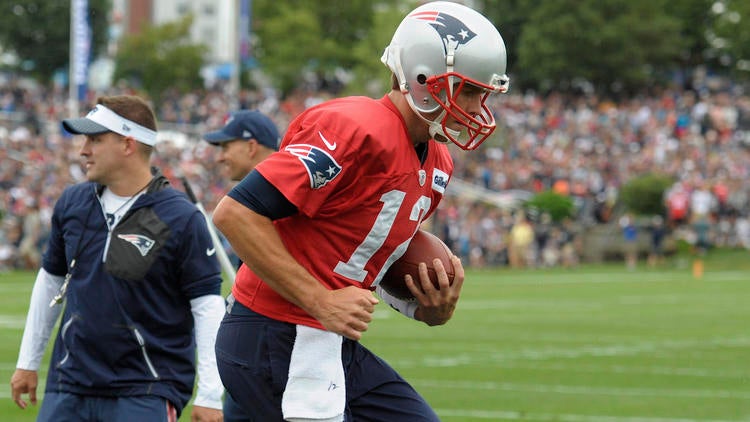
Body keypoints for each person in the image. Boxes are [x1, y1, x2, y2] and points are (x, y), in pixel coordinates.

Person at [211, 2, 509, 421]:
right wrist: (320, 299)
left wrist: (422, 308)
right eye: (472, 90)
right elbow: (235, 214)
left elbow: (368, 258)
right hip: (275, 332)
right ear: (425, 78)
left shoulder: (438, 162)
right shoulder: (354, 128)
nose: (478, 107)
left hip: (326, 339)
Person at [10, 95, 226, 422]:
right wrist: (27, 362)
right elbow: (51, 280)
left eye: (95, 140)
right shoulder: (73, 202)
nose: (83, 150)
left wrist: (210, 394)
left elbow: (207, 306)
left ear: (128, 144)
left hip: (147, 388)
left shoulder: (180, 217)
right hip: (70, 383)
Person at [202, 109, 280, 422]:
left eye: (225, 147)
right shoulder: (251, 199)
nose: (220, 157)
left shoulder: (285, 196)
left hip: (276, 351)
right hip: (249, 349)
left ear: (251, 146)